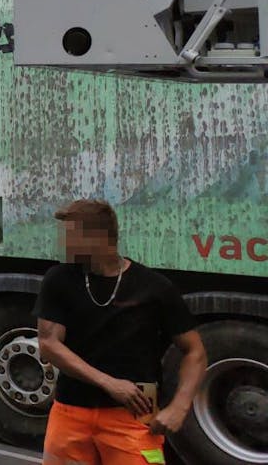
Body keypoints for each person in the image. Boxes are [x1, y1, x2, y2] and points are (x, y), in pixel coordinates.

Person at [35, 199, 206, 465]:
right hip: (71, 412)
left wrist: (179, 407)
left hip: (134, 415)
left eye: (70, 235)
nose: (63, 243)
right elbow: (49, 343)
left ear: (99, 238)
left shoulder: (154, 287)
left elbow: (194, 351)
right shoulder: (59, 279)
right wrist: (109, 383)